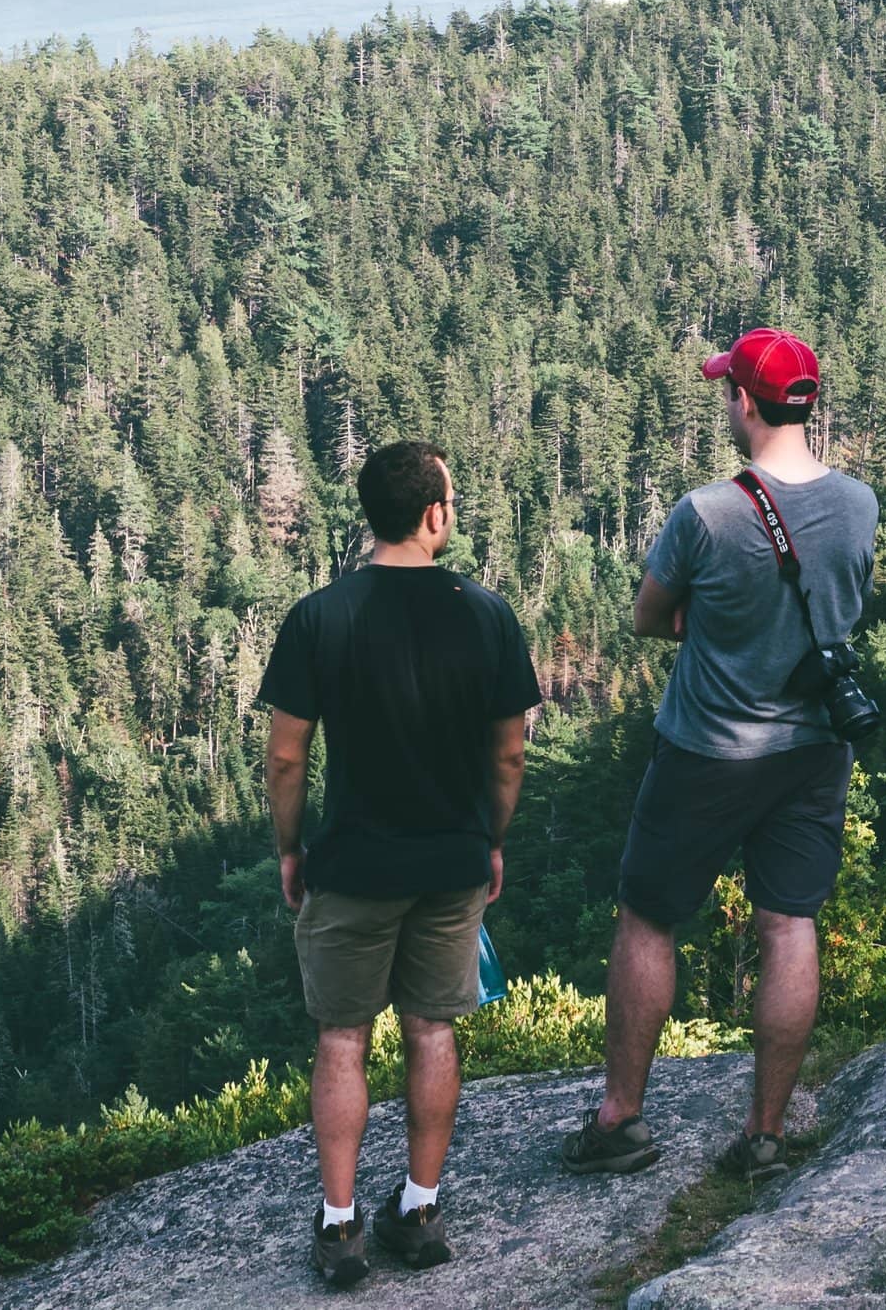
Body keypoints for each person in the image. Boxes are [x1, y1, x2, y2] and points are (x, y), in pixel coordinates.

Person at [563, 329, 875, 1190]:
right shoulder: (860, 503)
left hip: (707, 748)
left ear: (744, 399)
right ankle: (764, 1133)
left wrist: (708, 624)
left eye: (726, 390)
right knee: (789, 922)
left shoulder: (706, 513)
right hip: (813, 749)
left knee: (649, 916)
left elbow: (646, 616)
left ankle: (621, 1117)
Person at [262, 440, 538, 1288]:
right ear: (434, 513)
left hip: (352, 861)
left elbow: (285, 755)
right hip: (452, 858)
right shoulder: (487, 614)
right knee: (432, 1028)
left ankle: (340, 1228)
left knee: (343, 1036)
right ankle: (419, 1207)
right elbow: (509, 753)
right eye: (450, 497)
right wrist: (490, 837)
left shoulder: (321, 615)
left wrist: (290, 845)